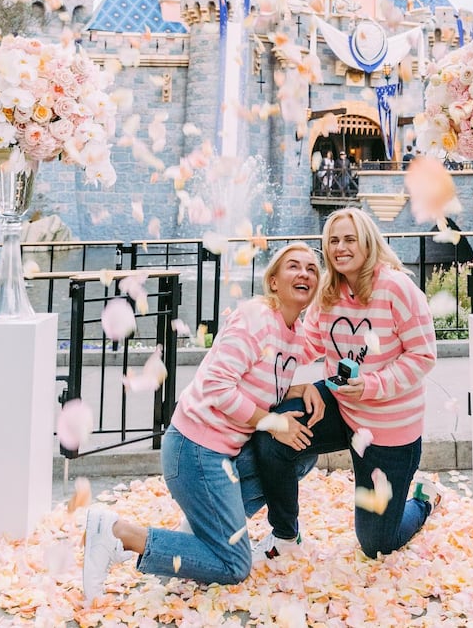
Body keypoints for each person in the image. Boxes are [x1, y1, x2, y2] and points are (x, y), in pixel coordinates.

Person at [81, 242, 323, 603]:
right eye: (293, 266)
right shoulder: (256, 317)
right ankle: (119, 532)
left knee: (302, 452)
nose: (304, 273)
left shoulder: (294, 334)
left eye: (312, 269)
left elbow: (261, 379)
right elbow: (216, 386)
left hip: (227, 454)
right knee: (233, 566)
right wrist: (274, 423)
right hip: (195, 450)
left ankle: (199, 531)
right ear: (273, 281)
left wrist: (305, 387)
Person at [252, 207, 439, 561]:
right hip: (340, 408)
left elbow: (423, 356)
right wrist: (262, 334)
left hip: (388, 431)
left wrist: (370, 385)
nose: (340, 247)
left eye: (349, 239)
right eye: (333, 240)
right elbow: (308, 346)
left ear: (367, 243)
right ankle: (286, 537)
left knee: (377, 544)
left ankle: (424, 500)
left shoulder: (397, 288)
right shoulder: (328, 291)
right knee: (272, 432)